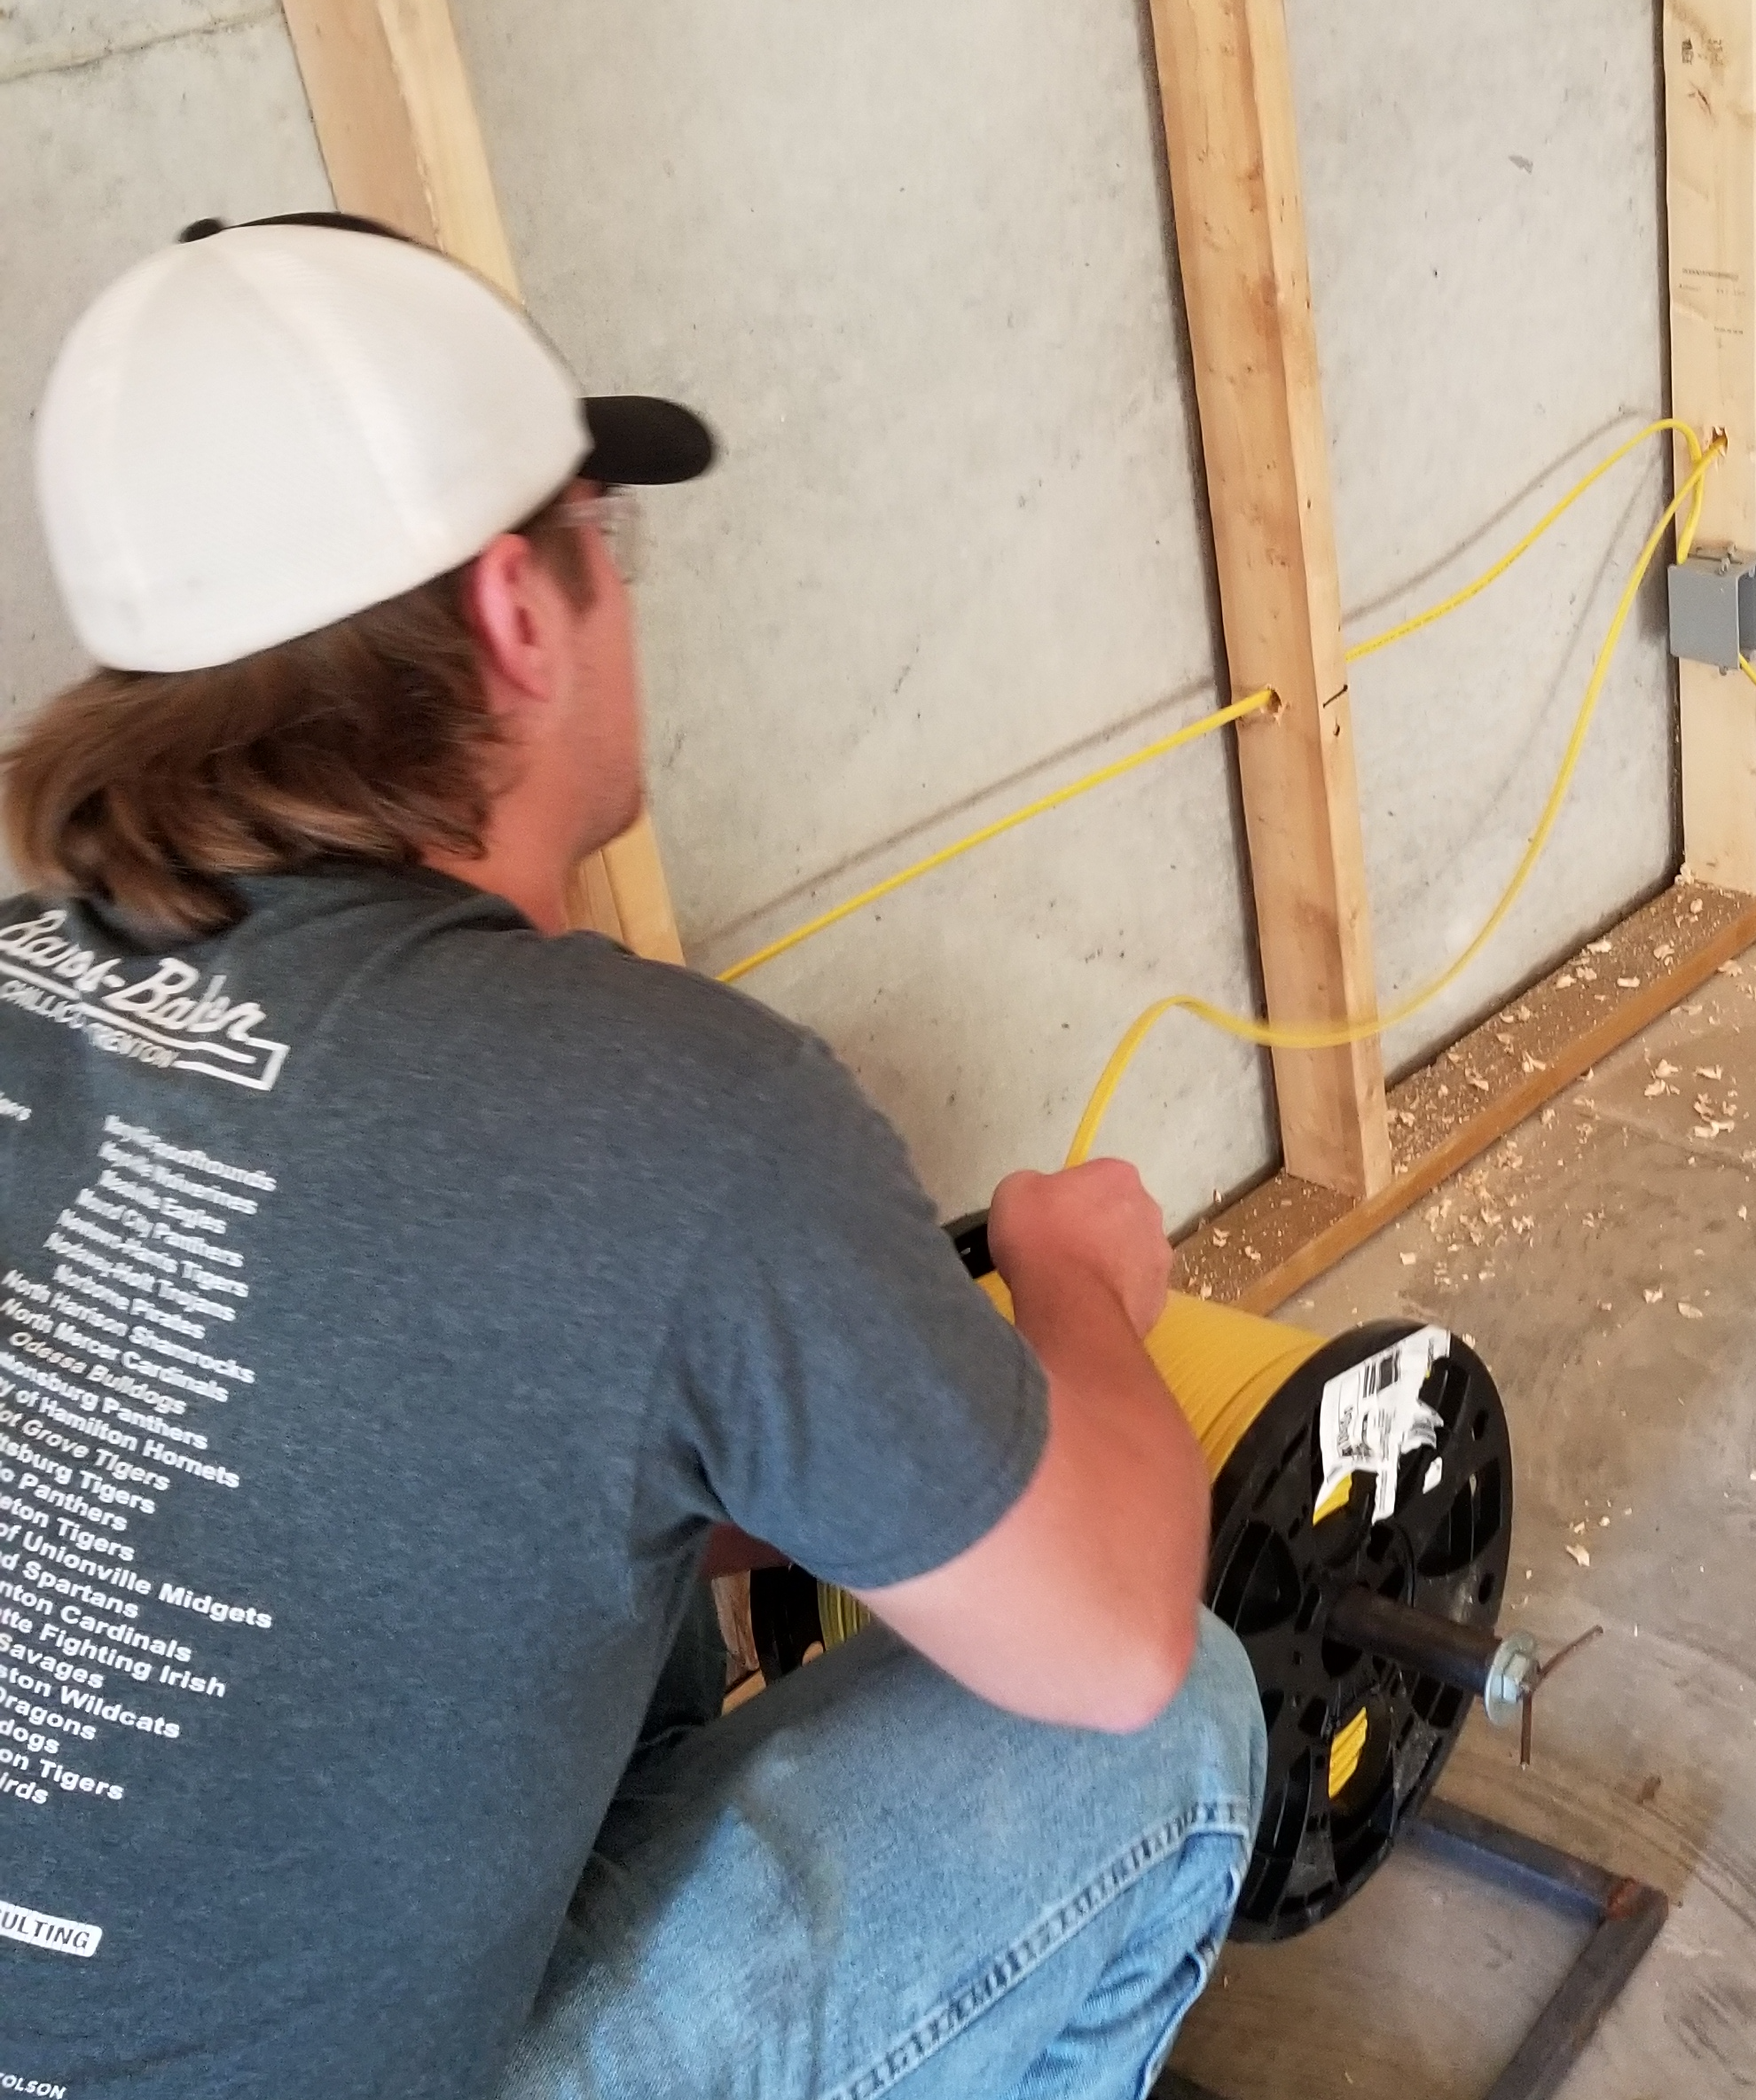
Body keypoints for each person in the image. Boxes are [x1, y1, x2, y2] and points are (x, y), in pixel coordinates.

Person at [0, 215, 1264, 2100]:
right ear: (519, 607)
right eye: (608, 537)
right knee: (1161, 1742)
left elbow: (369, 1453)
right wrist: (1074, 1280)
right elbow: (1106, 1639)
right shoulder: (655, 1105)